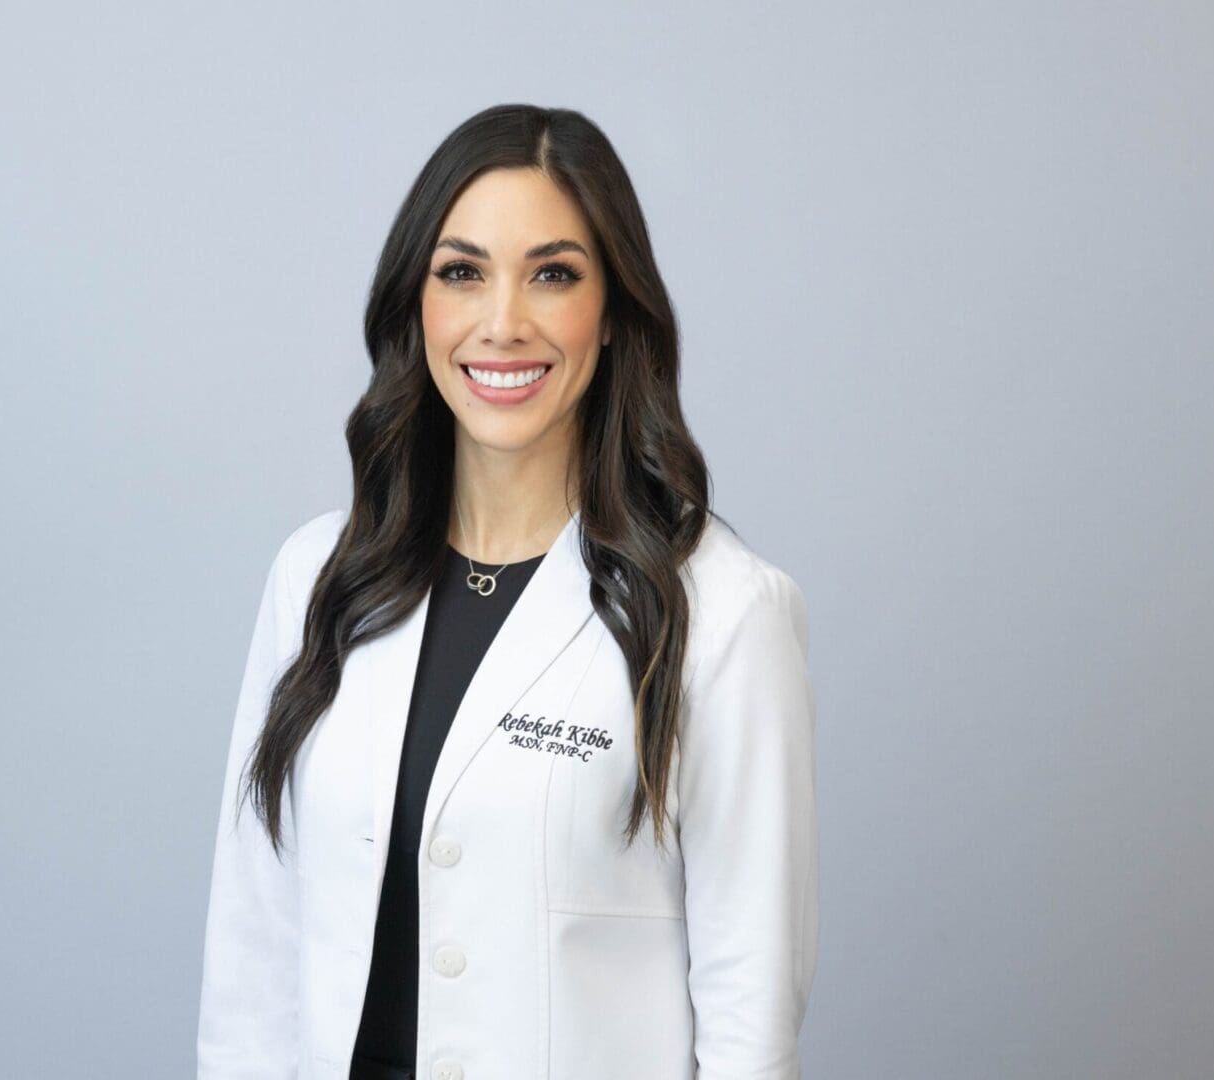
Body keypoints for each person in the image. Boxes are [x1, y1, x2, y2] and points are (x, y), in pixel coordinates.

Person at [197, 103, 819, 1080]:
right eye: (463, 272)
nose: (503, 323)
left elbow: (750, 1018)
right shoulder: (318, 580)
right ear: (418, 302)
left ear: (613, 313)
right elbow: (253, 956)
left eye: (554, 275)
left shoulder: (724, 615)